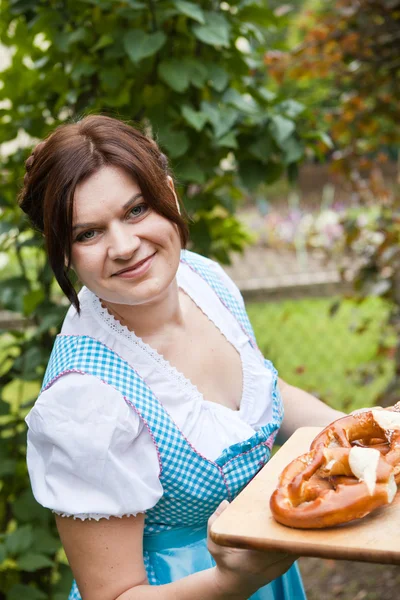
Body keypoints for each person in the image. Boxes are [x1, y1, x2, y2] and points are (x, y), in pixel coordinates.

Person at [21, 115, 344, 600]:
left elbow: (266, 395)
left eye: (136, 210)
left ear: (169, 195)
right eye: (88, 233)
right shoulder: (85, 400)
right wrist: (232, 581)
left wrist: (372, 428)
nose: (125, 246)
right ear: (63, 253)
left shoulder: (202, 279)